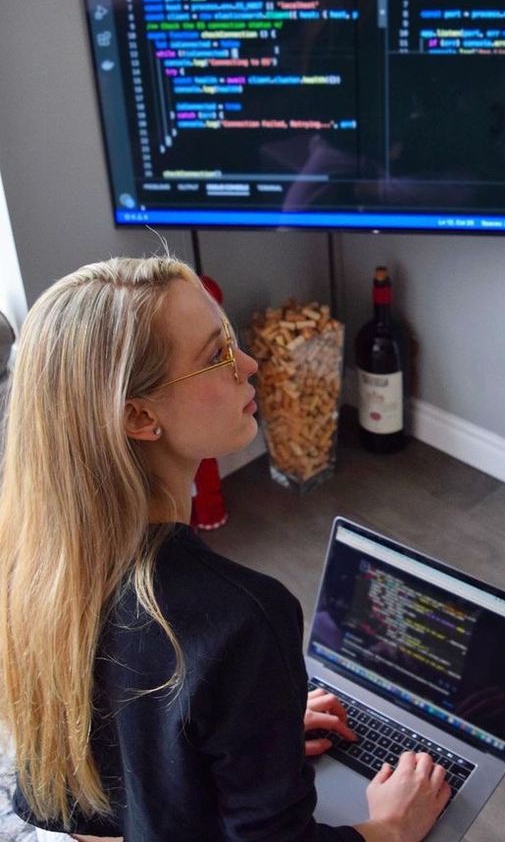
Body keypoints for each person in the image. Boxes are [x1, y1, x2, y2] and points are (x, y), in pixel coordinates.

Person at [0, 256, 450, 841]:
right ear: (139, 415)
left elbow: (87, 781)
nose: (250, 363)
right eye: (216, 356)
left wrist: (250, 733)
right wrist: (390, 826)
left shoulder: (27, 565)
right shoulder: (242, 621)